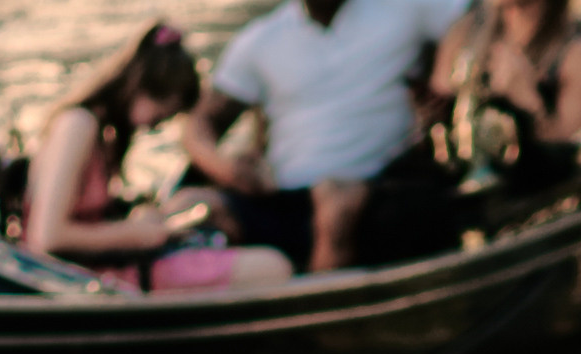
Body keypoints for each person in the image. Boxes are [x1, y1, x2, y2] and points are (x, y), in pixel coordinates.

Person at [178, 0, 461, 275]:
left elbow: (472, 12)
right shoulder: (260, 40)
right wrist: (225, 168)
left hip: (381, 190)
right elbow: (202, 122)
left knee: (336, 204)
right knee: (190, 206)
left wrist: (443, 73)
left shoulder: (405, 8)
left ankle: (310, 309)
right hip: (289, 199)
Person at [15, 21, 293, 291]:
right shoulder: (77, 125)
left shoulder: (103, 135)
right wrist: (141, 235)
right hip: (88, 277)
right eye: (164, 113)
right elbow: (47, 237)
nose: (159, 125)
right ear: (143, 87)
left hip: (105, 265)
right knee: (274, 266)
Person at [431, 0, 581, 182]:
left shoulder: (577, 54)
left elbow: (571, 153)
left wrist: (530, 102)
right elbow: (436, 113)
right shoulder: (463, 35)